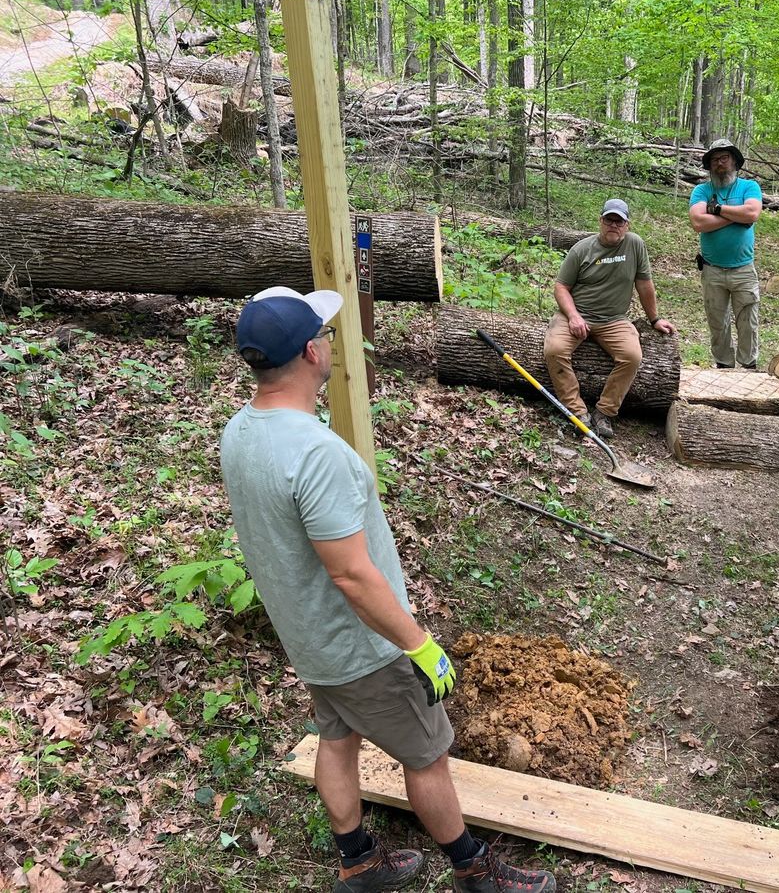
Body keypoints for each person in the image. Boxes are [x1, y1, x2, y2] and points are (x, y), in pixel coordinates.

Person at [221, 286, 556, 893]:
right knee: (427, 754)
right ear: (311, 353)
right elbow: (351, 574)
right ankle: (474, 871)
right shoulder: (315, 454)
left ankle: (358, 862)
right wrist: (418, 644)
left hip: (308, 637)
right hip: (364, 647)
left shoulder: (241, 432)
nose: (326, 342)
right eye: (321, 335)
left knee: (337, 735)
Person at [544, 198, 675, 439]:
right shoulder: (581, 249)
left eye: (619, 221)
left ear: (627, 225)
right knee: (555, 350)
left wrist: (655, 318)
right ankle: (577, 412)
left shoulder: (635, 245)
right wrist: (573, 316)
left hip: (613, 319)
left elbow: (644, 284)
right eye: (609, 219)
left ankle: (604, 412)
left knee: (631, 356)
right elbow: (561, 287)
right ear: (601, 221)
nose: (613, 225)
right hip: (576, 314)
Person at [688, 139, 762, 370]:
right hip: (712, 269)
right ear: (709, 166)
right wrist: (736, 217)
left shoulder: (749, 187)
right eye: (714, 160)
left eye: (724, 158)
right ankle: (724, 367)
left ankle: (749, 366)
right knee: (717, 322)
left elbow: (752, 213)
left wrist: (717, 209)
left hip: (743, 269)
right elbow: (698, 221)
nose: (720, 164)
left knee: (748, 321)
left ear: (734, 162)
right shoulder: (702, 190)